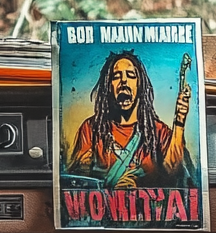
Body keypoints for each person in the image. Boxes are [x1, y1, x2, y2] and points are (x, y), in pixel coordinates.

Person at [66, 50, 191, 189]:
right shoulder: (91, 129)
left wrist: (179, 121)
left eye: (131, 75)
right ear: (108, 86)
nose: (123, 81)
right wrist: (86, 170)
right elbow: (77, 183)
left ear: (140, 85)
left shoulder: (158, 132)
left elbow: (173, 172)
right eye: (116, 76)